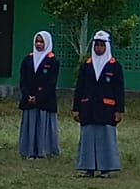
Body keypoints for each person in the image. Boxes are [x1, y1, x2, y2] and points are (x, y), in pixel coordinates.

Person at [73, 31, 125, 178]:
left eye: (102, 45)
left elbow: (119, 90)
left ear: (107, 46)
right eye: (97, 45)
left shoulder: (114, 66)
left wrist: (119, 110)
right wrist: (76, 108)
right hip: (88, 108)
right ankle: (88, 167)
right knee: (88, 137)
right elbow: (79, 88)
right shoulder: (86, 65)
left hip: (107, 109)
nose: (99, 48)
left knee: (106, 138)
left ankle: (105, 169)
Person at [18, 31, 61, 158]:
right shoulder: (28, 59)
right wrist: (28, 95)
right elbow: (23, 80)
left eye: (41, 42)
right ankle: (28, 150)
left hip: (45, 100)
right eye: (36, 41)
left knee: (43, 124)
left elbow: (51, 82)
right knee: (30, 123)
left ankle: (44, 150)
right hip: (29, 99)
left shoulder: (53, 61)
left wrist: (38, 96)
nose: (38, 44)